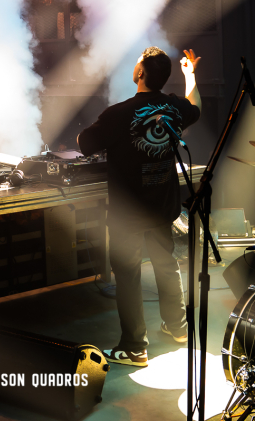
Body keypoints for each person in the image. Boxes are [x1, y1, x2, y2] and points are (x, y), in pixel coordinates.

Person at [77, 47, 202, 367]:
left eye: (137, 63)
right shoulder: (174, 107)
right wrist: (190, 76)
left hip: (128, 213)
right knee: (166, 264)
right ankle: (178, 327)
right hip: (162, 206)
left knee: (129, 275)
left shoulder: (118, 113)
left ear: (141, 73)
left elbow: (84, 143)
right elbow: (196, 106)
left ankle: (134, 347)